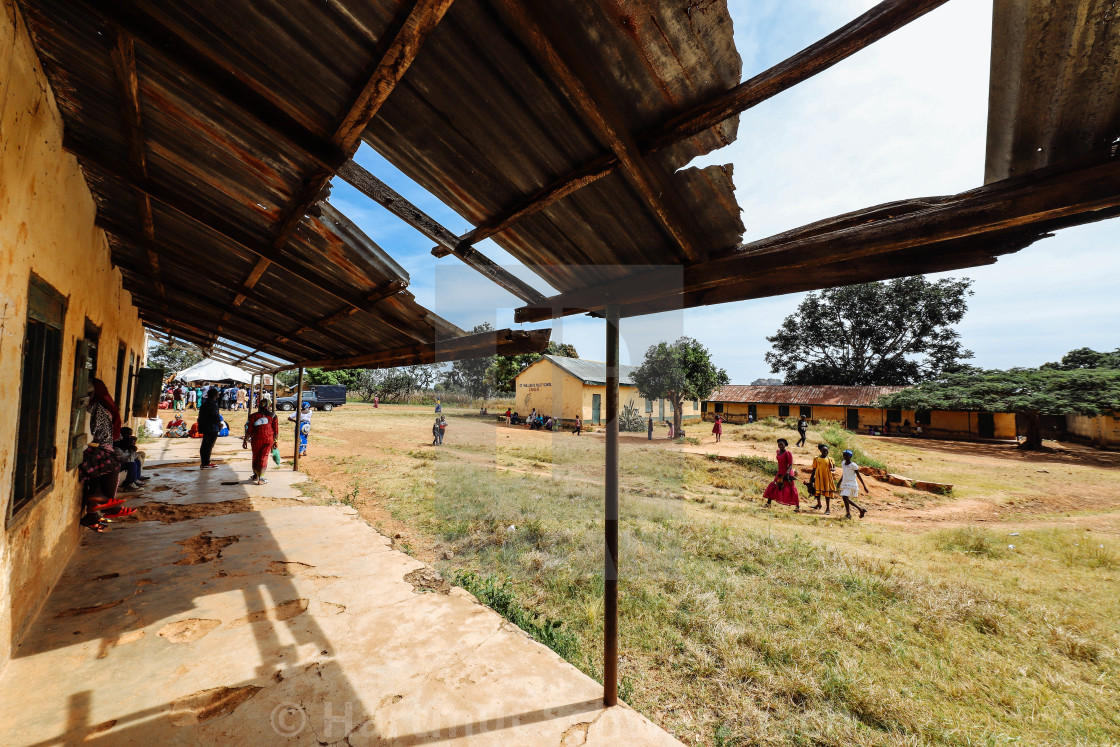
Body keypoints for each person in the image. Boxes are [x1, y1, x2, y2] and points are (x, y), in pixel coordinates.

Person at [243, 398, 278, 484]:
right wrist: (276, 441)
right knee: (264, 457)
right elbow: (276, 430)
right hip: (268, 439)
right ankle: (261, 478)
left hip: (256, 439)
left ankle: (255, 474)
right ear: (268, 406)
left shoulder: (253, 416)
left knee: (256, 456)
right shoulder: (273, 416)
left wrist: (245, 440)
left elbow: (249, 430)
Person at [763, 438, 800, 510]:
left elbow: (790, 465)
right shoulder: (778, 452)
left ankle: (797, 506)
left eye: (782, 444)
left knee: (790, 488)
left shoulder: (788, 453)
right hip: (780, 472)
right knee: (775, 485)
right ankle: (768, 503)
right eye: (779, 444)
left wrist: (787, 473)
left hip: (787, 473)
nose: (780, 445)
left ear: (785, 445)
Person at [836, 450, 869, 519]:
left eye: (847, 456)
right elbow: (844, 474)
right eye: (844, 455)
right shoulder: (843, 463)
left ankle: (852, 512)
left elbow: (859, 476)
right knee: (845, 498)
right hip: (845, 483)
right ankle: (855, 511)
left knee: (845, 497)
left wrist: (864, 486)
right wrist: (839, 482)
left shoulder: (853, 465)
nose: (845, 457)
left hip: (851, 483)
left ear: (850, 457)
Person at [808, 444, 837, 513]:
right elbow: (814, 469)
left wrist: (833, 469)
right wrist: (811, 478)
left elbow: (833, 468)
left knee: (827, 493)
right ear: (820, 451)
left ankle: (827, 509)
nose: (826, 452)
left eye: (827, 451)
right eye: (824, 451)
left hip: (827, 478)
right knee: (817, 492)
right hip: (818, 477)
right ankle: (819, 504)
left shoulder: (830, 459)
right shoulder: (816, 459)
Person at [198, 387, 222, 469]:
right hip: (211, 427)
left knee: (205, 445)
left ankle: (204, 462)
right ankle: (206, 463)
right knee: (208, 445)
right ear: (215, 395)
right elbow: (214, 416)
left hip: (205, 426)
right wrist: (219, 424)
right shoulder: (212, 404)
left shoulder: (205, 403)